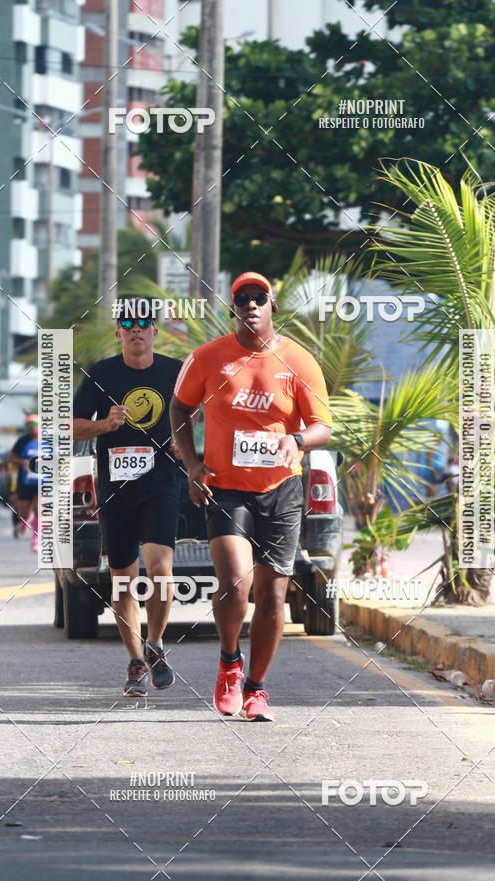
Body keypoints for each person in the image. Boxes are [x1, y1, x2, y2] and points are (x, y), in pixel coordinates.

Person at [170, 272, 333, 722]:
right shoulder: (207, 358)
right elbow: (179, 407)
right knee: (236, 581)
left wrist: (297, 441)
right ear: (233, 307)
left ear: (272, 305)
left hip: (281, 489)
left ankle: (257, 689)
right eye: (243, 298)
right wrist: (193, 464)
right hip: (224, 488)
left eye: (259, 297)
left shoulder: (300, 361)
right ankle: (228, 664)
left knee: (273, 594)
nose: (251, 305)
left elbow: (323, 425)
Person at [73, 301, 183, 698]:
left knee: (161, 567)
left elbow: (195, 412)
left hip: (160, 483)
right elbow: (71, 427)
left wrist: (181, 440)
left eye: (143, 324)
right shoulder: (102, 374)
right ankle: (137, 659)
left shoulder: (175, 370)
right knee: (123, 581)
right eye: (128, 324)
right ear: (119, 332)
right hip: (116, 486)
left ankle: (155, 643)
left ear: (154, 331)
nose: (136, 330)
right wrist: (105, 424)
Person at [9, 414, 41, 551]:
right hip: (25, 481)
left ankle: (36, 540)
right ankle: (24, 523)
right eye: (29, 425)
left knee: (39, 510)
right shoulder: (23, 441)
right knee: (24, 513)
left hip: (42, 481)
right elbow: (11, 458)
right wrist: (22, 462)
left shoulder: (49, 440)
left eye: (34, 424)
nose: (32, 427)